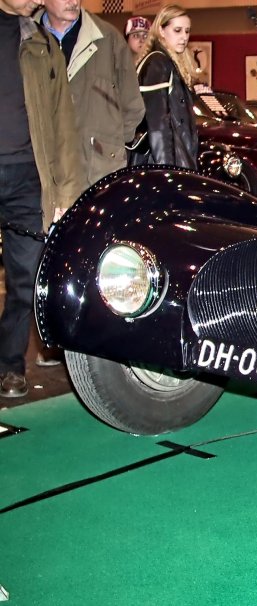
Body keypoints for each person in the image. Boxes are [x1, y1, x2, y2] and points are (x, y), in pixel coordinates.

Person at [0, 0, 86, 398]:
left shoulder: (42, 43)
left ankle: (9, 365)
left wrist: (66, 192)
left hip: (27, 178)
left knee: (25, 281)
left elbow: (62, 124)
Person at [38, 0, 144, 186]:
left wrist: (109, 144)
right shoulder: (25, 37)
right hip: (40, 173)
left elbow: (133, 106)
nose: (74, 1)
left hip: (98, 172)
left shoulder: (109, 38)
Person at [129, 4, 198, 169]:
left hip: (173, 161)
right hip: (160, 163)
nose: (184, 37)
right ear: (161, 30)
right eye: (177, 30)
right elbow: (158, 125)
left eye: (187, 31)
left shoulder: (168, 62)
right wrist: (166, 171)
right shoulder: (158, 63)